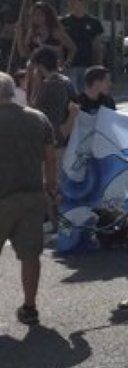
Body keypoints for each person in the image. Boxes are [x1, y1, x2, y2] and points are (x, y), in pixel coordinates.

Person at [0, 71, 58, 325]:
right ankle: (30, 306)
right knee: (30, 255)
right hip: (32, 196)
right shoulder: (38, 118)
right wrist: (52, 188)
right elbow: (50, 158)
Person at [28, 46, 74, 148]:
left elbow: (37, 113)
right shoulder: (66, 81)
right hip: (65, 140)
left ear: (39, 66)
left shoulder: (52, 86)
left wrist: (35, 87)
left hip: (54, 143)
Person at [60, 0, 104, 94]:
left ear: (83, 1)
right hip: (70, 66)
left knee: (86, 96)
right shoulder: (63, 22)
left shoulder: (94, 23)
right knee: (73, 95)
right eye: (68, 1)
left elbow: (97, 47)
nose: (70, 4)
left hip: (87, 66)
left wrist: (98, 67)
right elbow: (60, 45)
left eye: (73, 1)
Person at [16, 0, 75, 66]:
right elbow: (24, 54)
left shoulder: (55, 31)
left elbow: (72, 48)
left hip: (53, 70)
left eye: (40, 14)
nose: (37, 17)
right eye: (34, 15)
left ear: (47, 15)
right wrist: (19, 36)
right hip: (36, 70)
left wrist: (67, 63)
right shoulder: (32, 32)